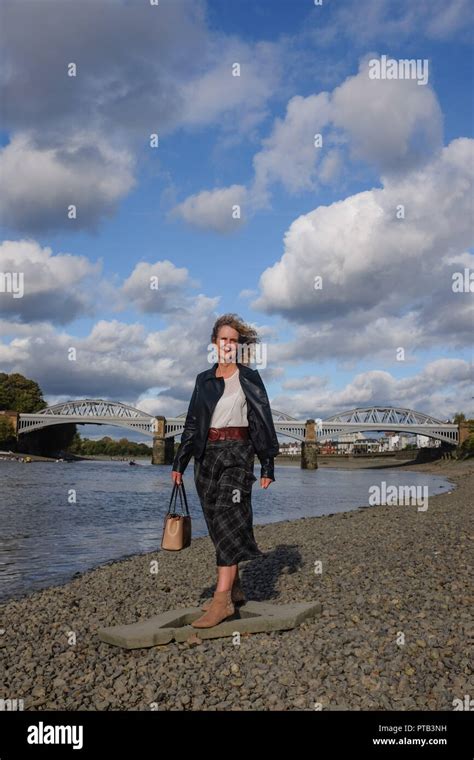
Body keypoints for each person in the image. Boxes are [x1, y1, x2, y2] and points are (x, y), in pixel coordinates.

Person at [171, 313, 279, 628]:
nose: (228, 345)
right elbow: (192, 423)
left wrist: (267, 464)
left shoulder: (250, 378)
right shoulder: (203, 380)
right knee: (216, 524)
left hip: (238, 454)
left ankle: (222, 602)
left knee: (230, 518)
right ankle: (235, 587)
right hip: (207, 456)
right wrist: (180, 462)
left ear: (240, 346)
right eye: (223, 339)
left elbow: (263, 420)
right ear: (214, 344)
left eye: (233, 340)